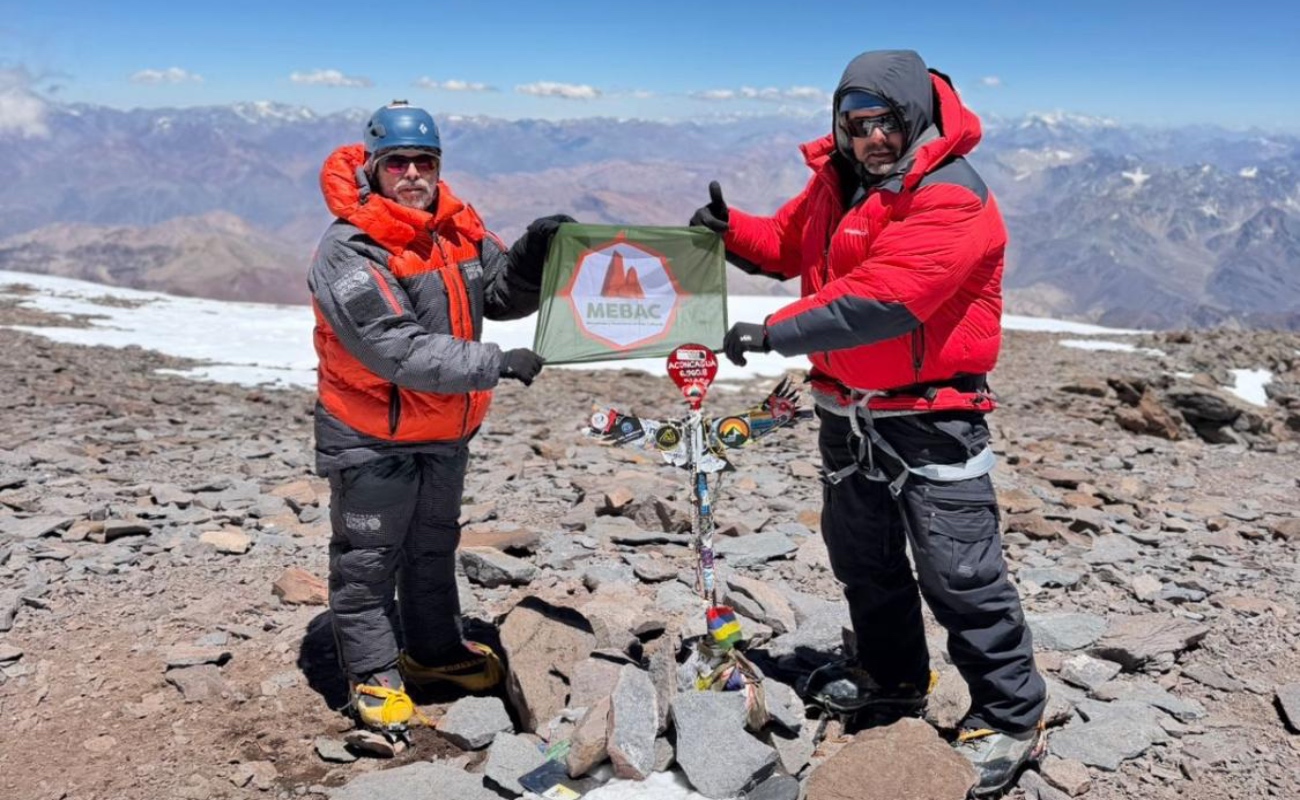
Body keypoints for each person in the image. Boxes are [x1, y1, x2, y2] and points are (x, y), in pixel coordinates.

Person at [689, 51, 1047, 796]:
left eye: (886, 121)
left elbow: (889, 298)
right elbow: (788, 243)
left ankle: (1012, 716)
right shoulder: (839, 180)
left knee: (960, 572)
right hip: (847, 411)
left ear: (914, 115)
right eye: (855, 123)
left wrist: (774, 332)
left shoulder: (951, 194)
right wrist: (731, 231)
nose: (871, 138)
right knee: (864, 559)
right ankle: (893, 680)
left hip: (931, 415)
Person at [308, 100, 573, 739]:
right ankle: (373, 677)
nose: (412, 174)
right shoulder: (351, 248)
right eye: (397, 162)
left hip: (444, 429)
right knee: (368, 560)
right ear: (373, 167)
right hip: (372, 434)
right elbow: (392, 346)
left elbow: (499, 293)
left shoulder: (454, 227)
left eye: (424, 162)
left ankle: (434, 653)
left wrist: (536, 252)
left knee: (432, 548)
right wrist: (492, 362)